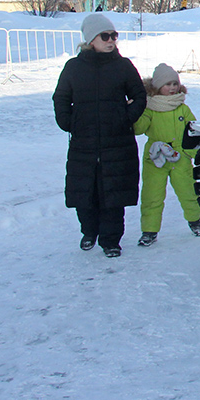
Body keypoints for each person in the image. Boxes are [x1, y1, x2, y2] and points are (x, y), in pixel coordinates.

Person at [52, 14, 146, 258]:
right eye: (105, 36)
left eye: (114, 35)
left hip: (117, 142)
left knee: (113, 195)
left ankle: (111, 240)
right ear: (90, 39)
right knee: (84, 192)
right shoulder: (73, 67)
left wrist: (124, 117)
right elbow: (61, 97)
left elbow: (140, 96)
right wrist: (68, 121)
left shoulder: (123, 66)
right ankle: (89, 231)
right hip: (84, 142)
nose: (111, 40)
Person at [134, 63, 200, 246]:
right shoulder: (149, 108)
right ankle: (149, 230)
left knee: (188, 191)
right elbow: (138, 129)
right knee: (152, 195)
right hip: (155, 158)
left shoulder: (182, 108)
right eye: (168, 84)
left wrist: (193, 153)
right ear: (156, 87)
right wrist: (134, 111)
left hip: (180, 157)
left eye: (175, 83)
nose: (172, 88)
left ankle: (195, 220)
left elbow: (192, 132)